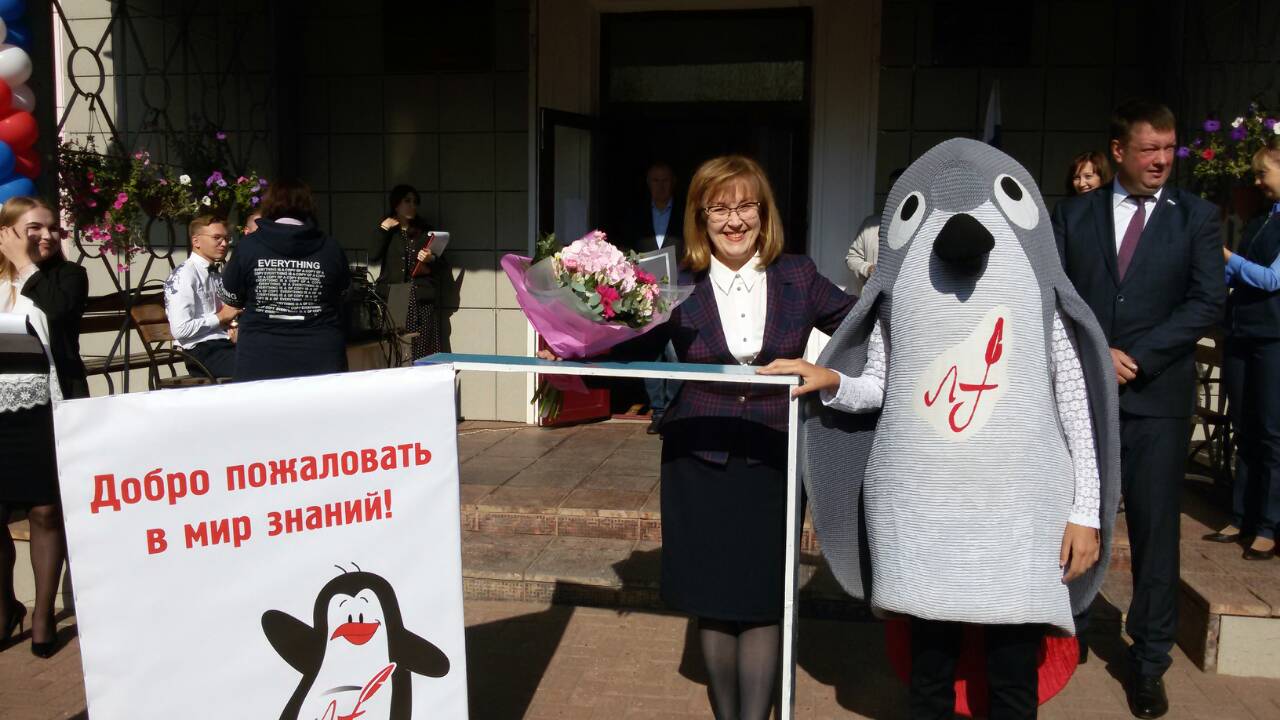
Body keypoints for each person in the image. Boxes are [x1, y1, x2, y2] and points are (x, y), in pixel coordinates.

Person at [543, 155, 854, 719]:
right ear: (700, 216)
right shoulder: (674, 281)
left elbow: (864, 327)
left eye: (745, 206)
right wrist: (570, 345)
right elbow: (626, 347)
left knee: (762, 600)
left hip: (773, 458)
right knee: (713, 600)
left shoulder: (799, 275)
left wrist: (833, 376)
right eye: (719, 208)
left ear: (764, 213)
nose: (734, 220)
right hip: (698, 457)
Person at [1052, 100, 1225, 719]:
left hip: (1157, 400)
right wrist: (1098, 351)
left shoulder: (1197, 217)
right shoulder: (1073, 215)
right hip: (1083, 396)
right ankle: (1062, 630)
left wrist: (1142, 356)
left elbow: (1206, 301)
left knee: (1155, 532)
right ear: (1118, 151)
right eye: (1150, 149)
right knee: (1073, 516)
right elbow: (1054, 294)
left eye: (1169, 149)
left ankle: (1149, 662)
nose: (1161, 161)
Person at [0, 196, 74, 658]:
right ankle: (5, 606)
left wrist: (25, 264)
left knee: (45, 512)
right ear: (7, 231)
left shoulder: (65, 277)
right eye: (34, 228)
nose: (47, 235)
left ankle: (43, 613)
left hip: (44, 410)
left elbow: (57, 313)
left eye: (52, 228)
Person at [1207, 137, 1280, 561]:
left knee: (1270, 431)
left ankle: (1268, 524)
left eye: (1262, 173)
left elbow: (1272, 279)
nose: (1256, 182)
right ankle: (1242, 515)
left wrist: (1226, 257)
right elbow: (1241, 276)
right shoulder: (1261, 219)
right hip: (1241, 333)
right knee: (1244, 427)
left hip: (1272, 338)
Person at [219, 179, 351, 381]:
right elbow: (343, 294)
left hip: (260, 356)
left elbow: (232, 297)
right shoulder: (330, 248)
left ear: (269, 206)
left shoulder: (248, 246)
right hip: (320, 354)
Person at [623, 162, 684, 432]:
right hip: (645, 293)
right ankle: (658, 411)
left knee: (675, 352)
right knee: (651, 353)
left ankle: (672, 409)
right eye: (655, 180)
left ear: (673, 183)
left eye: (665, 180)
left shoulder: (686, 214)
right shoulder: (635, 213)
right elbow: (625, 246)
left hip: (679, 291)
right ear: (648, 184)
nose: (660, 186)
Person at [372, 184, 448, 360]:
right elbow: (373, 255)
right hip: (395, 296)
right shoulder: (388, 231)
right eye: (407, 201)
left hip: (419, 298)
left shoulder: (424, 231)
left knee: (422, 349)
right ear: (396, 204)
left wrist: (431, 258)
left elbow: (442, 265)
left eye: (415, 202)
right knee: (394, 349)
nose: (412, 205)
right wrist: (383, 229)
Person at [164, 215, 239, 379]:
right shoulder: (184, 275)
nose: (224, 244)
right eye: (217, 238)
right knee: (258, 368)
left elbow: (224, 313)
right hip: (203, 351)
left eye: (226, 238)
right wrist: (221, 317)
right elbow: (180, 330)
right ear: (196, 241)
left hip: (224, 345)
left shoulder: (215, 274)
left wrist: (233, 325)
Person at [846, 168, 904, 295]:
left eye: (900, 188)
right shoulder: (870, 224)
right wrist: (868, 268)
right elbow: (852, 258)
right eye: (891, 188)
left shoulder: (922, 228)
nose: (894, 193)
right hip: (873, 300)